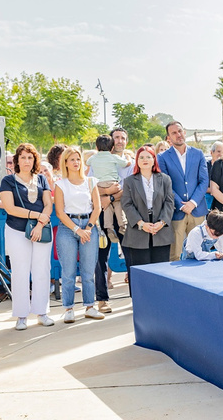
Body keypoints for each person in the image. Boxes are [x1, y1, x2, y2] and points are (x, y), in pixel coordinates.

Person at [0, 143, 54, 330]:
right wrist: (37, 216)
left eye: (30, 157)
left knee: (41, 271)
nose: (26, 161)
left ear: (35, 160)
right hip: (16, 230)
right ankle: (21, 315)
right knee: (20, 272)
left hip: (41, 230)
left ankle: (42, 312)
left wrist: (39, 224)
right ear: (17, 160)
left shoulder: (42, 179)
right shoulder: (8, 181)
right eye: (23, 157)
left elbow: (48, 204)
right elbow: (10, 208)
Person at [54, 146, 103, 322]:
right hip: (68, 228)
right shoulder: (60, 184)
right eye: (72, 159)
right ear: (65, 163)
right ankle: (68, 309)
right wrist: (77, 230)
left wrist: (88, 228)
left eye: (78, 159)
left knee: (88, 271)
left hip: (88, 226)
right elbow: (59, 212)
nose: (76, 163)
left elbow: (97, 207)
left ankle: (90, 306)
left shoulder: (91, 181)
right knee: (68, 272)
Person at [121, 146, 174, 296]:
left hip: (160, 228)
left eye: (148, 157)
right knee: (140, 270)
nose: (145, 160)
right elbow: (126, 203)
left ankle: (160, 300)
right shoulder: (129, 181)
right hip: (138, 229)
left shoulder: (164, 179)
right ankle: (140, 301)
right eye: (141, 157)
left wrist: (162, 222)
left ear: (154, 160)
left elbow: (169, 203)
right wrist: (141, 223)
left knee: (161, 270)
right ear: (136, 161)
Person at [93, 128, 133, 314]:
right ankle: (102, 300)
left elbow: (132, 187)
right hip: (103, 215)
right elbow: (91, 186)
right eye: (116, 137)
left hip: (125, 214)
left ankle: (136, 297)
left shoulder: (130, 163)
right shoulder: (98, 161)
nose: (120, 141)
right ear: (110, 141)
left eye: (123, 138)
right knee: (101, 258)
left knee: (131, 256)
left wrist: (110, 196)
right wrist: (108, 195)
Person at [158, 121, 209, 261]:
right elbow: (166, 184)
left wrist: (192, 203)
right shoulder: (162, 157)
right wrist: (181, 204)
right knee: (174, 254)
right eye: (174, 133)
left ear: (184, 132)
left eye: (180, 131)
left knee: (200, 252)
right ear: (168, 138)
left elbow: (204, 181)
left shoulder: (198, 154)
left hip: (197, 210)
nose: (178, 135)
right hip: (176, 211)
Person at [87, 134, 131, 242]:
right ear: (112, 148)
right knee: (117, 204)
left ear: (97, 148)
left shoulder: (93, 158)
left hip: (99, 184)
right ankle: (122, 225)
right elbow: (127, 163)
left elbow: (87, 163)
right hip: (112, 183)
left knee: (106, 208)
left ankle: (109, 228)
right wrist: (129, 158)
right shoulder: (113, 157)